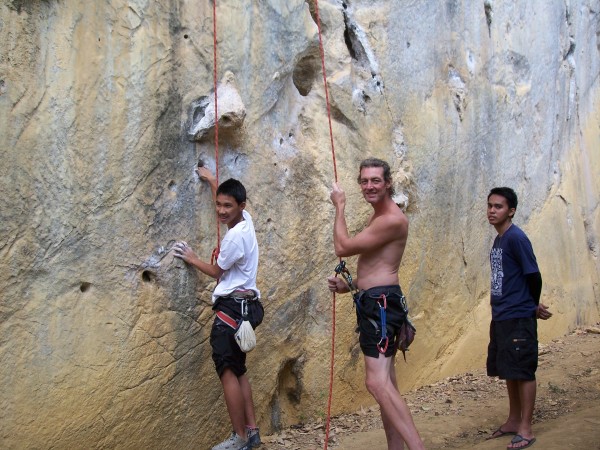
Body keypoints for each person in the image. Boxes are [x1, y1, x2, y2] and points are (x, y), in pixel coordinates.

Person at [327, 158, 425, 450]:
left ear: (388, 183)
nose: (369, 186)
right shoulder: (378, 217)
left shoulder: (392, 219)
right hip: (378, 303)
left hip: (380, 307)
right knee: (386, 385)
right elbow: (378, 267)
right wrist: (352, 285)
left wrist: (340, 206)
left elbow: (343, 247)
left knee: (377, 384)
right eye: (364, 181)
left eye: (375, 181)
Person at [174, 166, 263, 450]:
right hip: (247, 307)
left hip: (232, 310)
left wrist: (191, 258)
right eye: (218, 204)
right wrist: (214, 183)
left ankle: (239, 438)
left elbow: (215, 272)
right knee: (238, 371)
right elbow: (228, 207)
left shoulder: (234, 238)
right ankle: (252, 431)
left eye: (227, 206)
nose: (221, 211)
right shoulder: (245, 221)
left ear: (241, 206)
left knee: (227, 372)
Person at [486, 187, 552, 450]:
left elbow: (533, 275)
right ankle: (513, 420)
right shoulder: (499, 240)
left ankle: (525, 428)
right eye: (490, 205)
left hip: (518, 316)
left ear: (511, 211)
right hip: (502, 315)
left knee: (523, 370)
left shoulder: (516, 238)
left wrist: (532, 305)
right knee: (509, 370)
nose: (492, 211)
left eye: (498, 206)